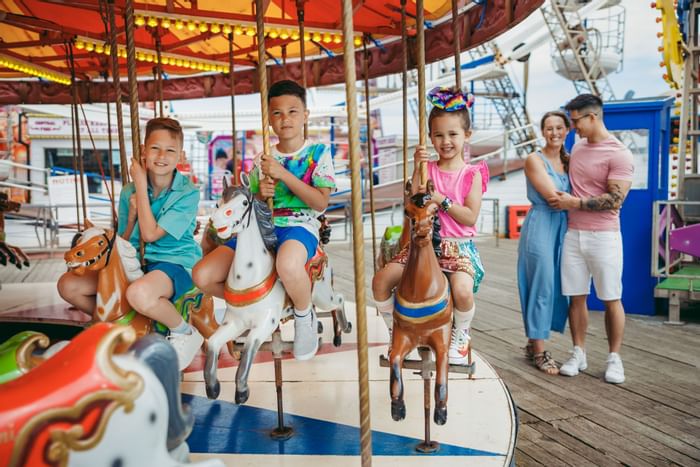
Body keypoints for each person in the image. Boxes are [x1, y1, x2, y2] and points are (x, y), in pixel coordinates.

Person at [193, 79, 336, 361]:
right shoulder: (263, 159)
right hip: (259, 228)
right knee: (202, 275)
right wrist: (260, 194)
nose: (285, 119)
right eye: (278, 113)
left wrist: (284, 176)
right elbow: (253, 202)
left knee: (287, 263)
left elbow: (320, 202)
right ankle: (253, 305)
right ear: (269, 118)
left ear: (305, 115)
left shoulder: (317, 154)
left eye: (293, 112)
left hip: (298, 225)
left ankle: (304, 315)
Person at [57, 117, 204, 371]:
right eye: (155, 148)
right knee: (69, 285)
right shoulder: (128, 193)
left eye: (170, 150)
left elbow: (150, 235)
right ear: (144, 150)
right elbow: (124, 241)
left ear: (180, 155)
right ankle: (115, 322)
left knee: (139, 293)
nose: (161, 156)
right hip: (136, 261)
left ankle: (184, 332)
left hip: (174, 262)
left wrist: (140, 183)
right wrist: (132, 215)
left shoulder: (187, 193)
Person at [371, 87, 488, 366]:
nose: (445, 141)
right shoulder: (429, 170)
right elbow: (415, 200)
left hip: (457, 248)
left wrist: (441, 200)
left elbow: (470, 217)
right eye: (438, 135)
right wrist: (416, 167)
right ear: (430, 137)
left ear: (466, 136)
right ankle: (395, 328)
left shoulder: (472, 174)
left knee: (461, 290)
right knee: (381, 281)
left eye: (453, 134)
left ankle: (461, 335)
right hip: (422, 246)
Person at [548, 94, 633, 384]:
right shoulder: (579, 146)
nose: (573, 128)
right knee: (576, 296)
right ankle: (578, 352)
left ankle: (614, 358)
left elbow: (615, 199)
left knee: (611, 297)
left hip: (605, 236)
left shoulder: (619, 153)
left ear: (592, 117)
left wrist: (575, 204)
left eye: (575, 121)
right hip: (574, 234)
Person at [517, 111, 571, 375]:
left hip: (565, 226)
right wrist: (581, 200)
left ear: (567, 130)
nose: (554, 133)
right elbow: (553, 197)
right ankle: (540, 351)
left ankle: (532, 342)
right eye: (549, 128)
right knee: (542, 282)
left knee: (559, 285)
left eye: (559, 127)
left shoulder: (569, 161)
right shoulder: (534, 159)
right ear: (542, 131)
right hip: (541, 224)